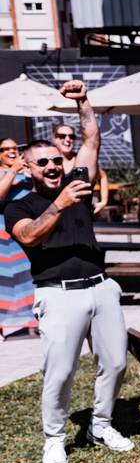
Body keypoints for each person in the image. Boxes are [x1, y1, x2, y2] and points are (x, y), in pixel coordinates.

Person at [4, 81, 132, 463]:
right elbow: (29, 235)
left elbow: (91, 139)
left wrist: (83, 101)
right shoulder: (19, 205)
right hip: (57, 294)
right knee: (60, 373)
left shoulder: (78, 184)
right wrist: (59, 204)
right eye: (41, 162)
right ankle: (54, 439)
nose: (51, 167)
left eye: (56, 160)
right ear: (27, 168)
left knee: (116, 363)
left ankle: (101, 426)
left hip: (100, 288)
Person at [0, 137, 36, 340]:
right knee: (2, 280)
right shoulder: (3, 172)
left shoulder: (26, 170)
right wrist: (13, 171)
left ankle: (33, 321)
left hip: (25, 229)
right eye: (5, 149)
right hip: (2, 234)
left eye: (15, 148)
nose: (11, 151)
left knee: (28, 276)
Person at [53, 121, 110, 217]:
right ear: (55, 139)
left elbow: (102, 176)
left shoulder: (80, 161)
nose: (67, 139)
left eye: (71, 136)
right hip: (56, 216)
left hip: (81, 217)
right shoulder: (49, 163)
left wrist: (104, 201)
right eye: (62, 136)